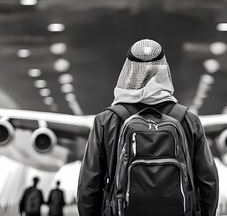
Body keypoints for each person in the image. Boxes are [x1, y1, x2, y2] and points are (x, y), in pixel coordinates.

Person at [77, 39, 219, 216]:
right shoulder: (189, 120)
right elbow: (208, 182)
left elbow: (88, 186)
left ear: (128, 72)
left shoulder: (106, 121)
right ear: (164, 71)